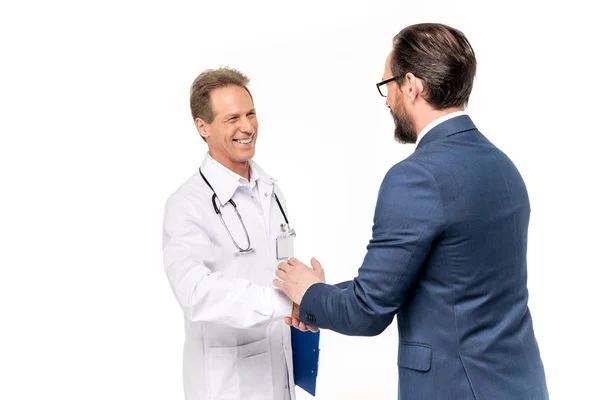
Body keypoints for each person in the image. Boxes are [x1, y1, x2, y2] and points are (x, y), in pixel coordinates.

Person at [275, 23, 549, 399]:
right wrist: (317, 296)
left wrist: (308, 294)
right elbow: (443, 283)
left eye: (387, 84)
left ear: (412, 85)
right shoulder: (503, 167)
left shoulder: (416, 177)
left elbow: (368, 311)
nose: (386, 98)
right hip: (521, 385)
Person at [162, 67, 305, 400]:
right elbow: (195, 293)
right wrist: (282, 303)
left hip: (278, 373)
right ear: (203, 127)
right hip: (228, 385)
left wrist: (306, 295)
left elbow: (279, 270)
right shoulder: (187, 205)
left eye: (250, 114)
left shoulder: (270, 190)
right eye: (232, 119)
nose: (247, 127)